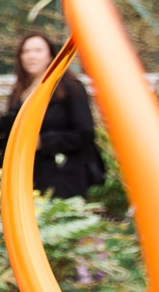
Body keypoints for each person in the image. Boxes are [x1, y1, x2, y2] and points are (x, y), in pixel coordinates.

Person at [7, 28, 104, 198]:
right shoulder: (19, 91)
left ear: (50, 56)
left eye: (38, 51)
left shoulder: (71, 88)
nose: (31, 56)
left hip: (65, 177)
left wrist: (43, 142)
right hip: (28, 176)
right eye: (26, 51)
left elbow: (85, 133)